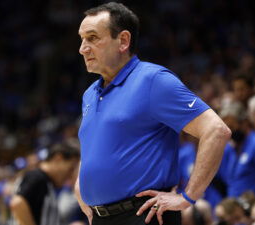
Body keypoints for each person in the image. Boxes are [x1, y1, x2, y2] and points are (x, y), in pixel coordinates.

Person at [75, 2, 231, 225]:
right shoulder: (89, 94)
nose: (83, 48)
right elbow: (94, 146)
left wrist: (188, 196)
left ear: (123, 41)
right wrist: (81, 186)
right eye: (82, 39)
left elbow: (216, 130)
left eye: (92, 38)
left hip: (144, 215)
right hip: (100, 218)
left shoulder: (153, 80)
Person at [10, 143, 80, 225]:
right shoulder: (38, 177)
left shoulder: (46, 182)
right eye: (70, 168)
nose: (70, 175)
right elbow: (18, 203)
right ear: (58, 158)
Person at [219, 101, 255, 198]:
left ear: (244, 123)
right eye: (225, 128)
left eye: (231, 126)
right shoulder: (230, 149)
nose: (228, 132)